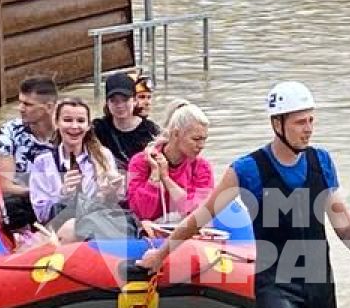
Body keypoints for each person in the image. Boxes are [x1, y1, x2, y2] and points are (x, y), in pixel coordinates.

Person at [138, 81, 350, 308]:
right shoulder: (247, 169)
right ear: (277, 124)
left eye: (311, 121)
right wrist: (160, 255)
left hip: (319, 284)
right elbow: (199, 218)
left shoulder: (322, 161)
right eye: (299, 123)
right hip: (276, 286)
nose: (308, 129)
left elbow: (344, 226)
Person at [28, 97, 127, 242]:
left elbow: (113, 204)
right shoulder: (43, 162)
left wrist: (111, 193)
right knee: (69, 225)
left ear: (88, 126)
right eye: (67, 120)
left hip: (96, 223)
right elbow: (41, 214)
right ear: (56, 123)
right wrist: (63, 193)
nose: (74, 126)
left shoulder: (103, 156)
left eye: (81, 121)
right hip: (59, 227)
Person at [126, 100, 216, 235]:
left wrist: (166, 178)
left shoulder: (202, 167)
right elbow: (142, 212)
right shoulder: (140, 162)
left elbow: (198, 215)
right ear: (175, 134)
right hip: (151, 233)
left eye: (204, 139)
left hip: (187, 231)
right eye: (196, 139)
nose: (202, 145)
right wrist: (155, 175)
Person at [0, 75, 59, 230]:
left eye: (28, 104)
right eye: (21, 102)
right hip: (26, 198)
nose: (20, 108)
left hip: (61, 198)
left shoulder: (68, 130)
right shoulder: (10, 131)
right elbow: (6, 186)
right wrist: (39, 193)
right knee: (12, 204)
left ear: (49, 107)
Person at [92, 72, 161, 170]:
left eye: (125, 100)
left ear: (134, 101)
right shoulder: (98, 128)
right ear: (107, 103)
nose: (120, 105)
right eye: (114, 100)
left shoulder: (150, 131)